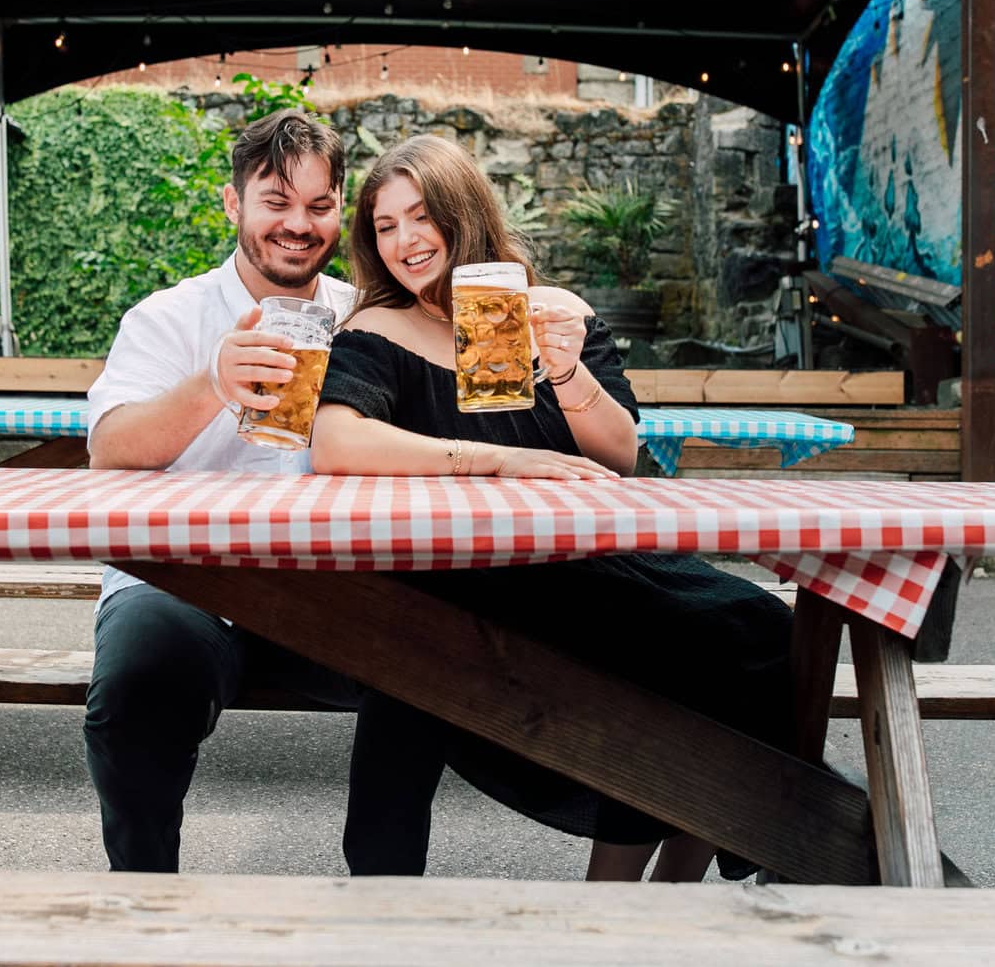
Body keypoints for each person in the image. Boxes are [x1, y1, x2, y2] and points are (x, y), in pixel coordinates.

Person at [309, 134, 796, 883]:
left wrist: (565, 372)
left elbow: (618, 456)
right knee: (410, 680)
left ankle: (664, 884)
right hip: (469, 575)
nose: (404, 240)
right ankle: (609, 895)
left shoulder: (555, 312)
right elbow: (336, 440)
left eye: (419, 217)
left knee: (759, 630)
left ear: (461, 212)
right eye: (384, 225)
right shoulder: (379, 330)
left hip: (589, 560)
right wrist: (499, 458)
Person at [82, 108, 359, 873]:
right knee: (138, 687)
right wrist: (212, 382)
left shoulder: (365, 319)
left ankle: (386, 910)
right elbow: (110, 449)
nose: (298, 226)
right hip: (187, 576)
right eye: (276, 201)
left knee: (452, 673)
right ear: (234, 204)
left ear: (341, 208)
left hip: (331, 582)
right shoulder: (169, 317)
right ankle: (148, 906)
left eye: (318, 205)